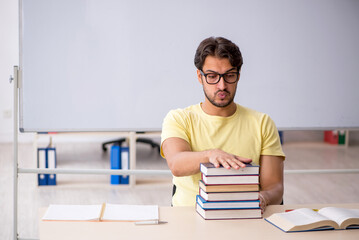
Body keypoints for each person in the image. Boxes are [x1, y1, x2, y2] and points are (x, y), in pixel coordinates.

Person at [160, 37, 285, 211]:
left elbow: (275, 187)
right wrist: (211, 155)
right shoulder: (179, 118)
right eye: (212, 76)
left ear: (238, 76)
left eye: (229, 76)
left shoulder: (262, 123)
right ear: (199, 76)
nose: (222, 85)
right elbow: (176, 164)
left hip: (245, 216)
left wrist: (264, 197)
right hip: (189, 218)